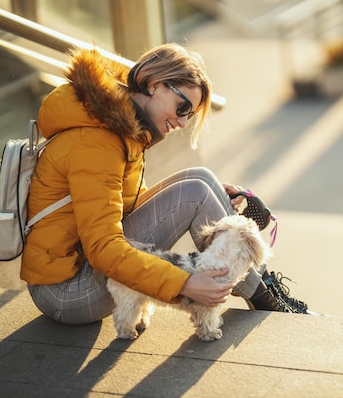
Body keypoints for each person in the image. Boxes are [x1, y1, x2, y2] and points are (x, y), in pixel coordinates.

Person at [21, 43, 313, 325]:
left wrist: (209, 197)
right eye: (182, 106)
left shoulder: (120, 128)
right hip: (66, 293)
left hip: (82, 268)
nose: (183, 122)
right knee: (195, 191)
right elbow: (102, 248)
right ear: (154, 84)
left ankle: (263, 290)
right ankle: (266, 300)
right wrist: (185, 283)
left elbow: (122, 208)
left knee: (201, 180)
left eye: (189, 114)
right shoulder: (97, 142)